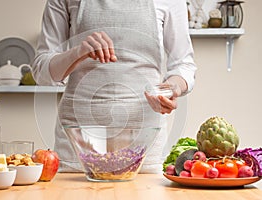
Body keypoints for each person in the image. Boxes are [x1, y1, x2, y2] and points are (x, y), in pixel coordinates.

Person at [32, 0, 197, 174]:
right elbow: (41, 71)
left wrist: (172, 88)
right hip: (79, 144)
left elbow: (183, 65)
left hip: (144, 143)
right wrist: (78, 52)